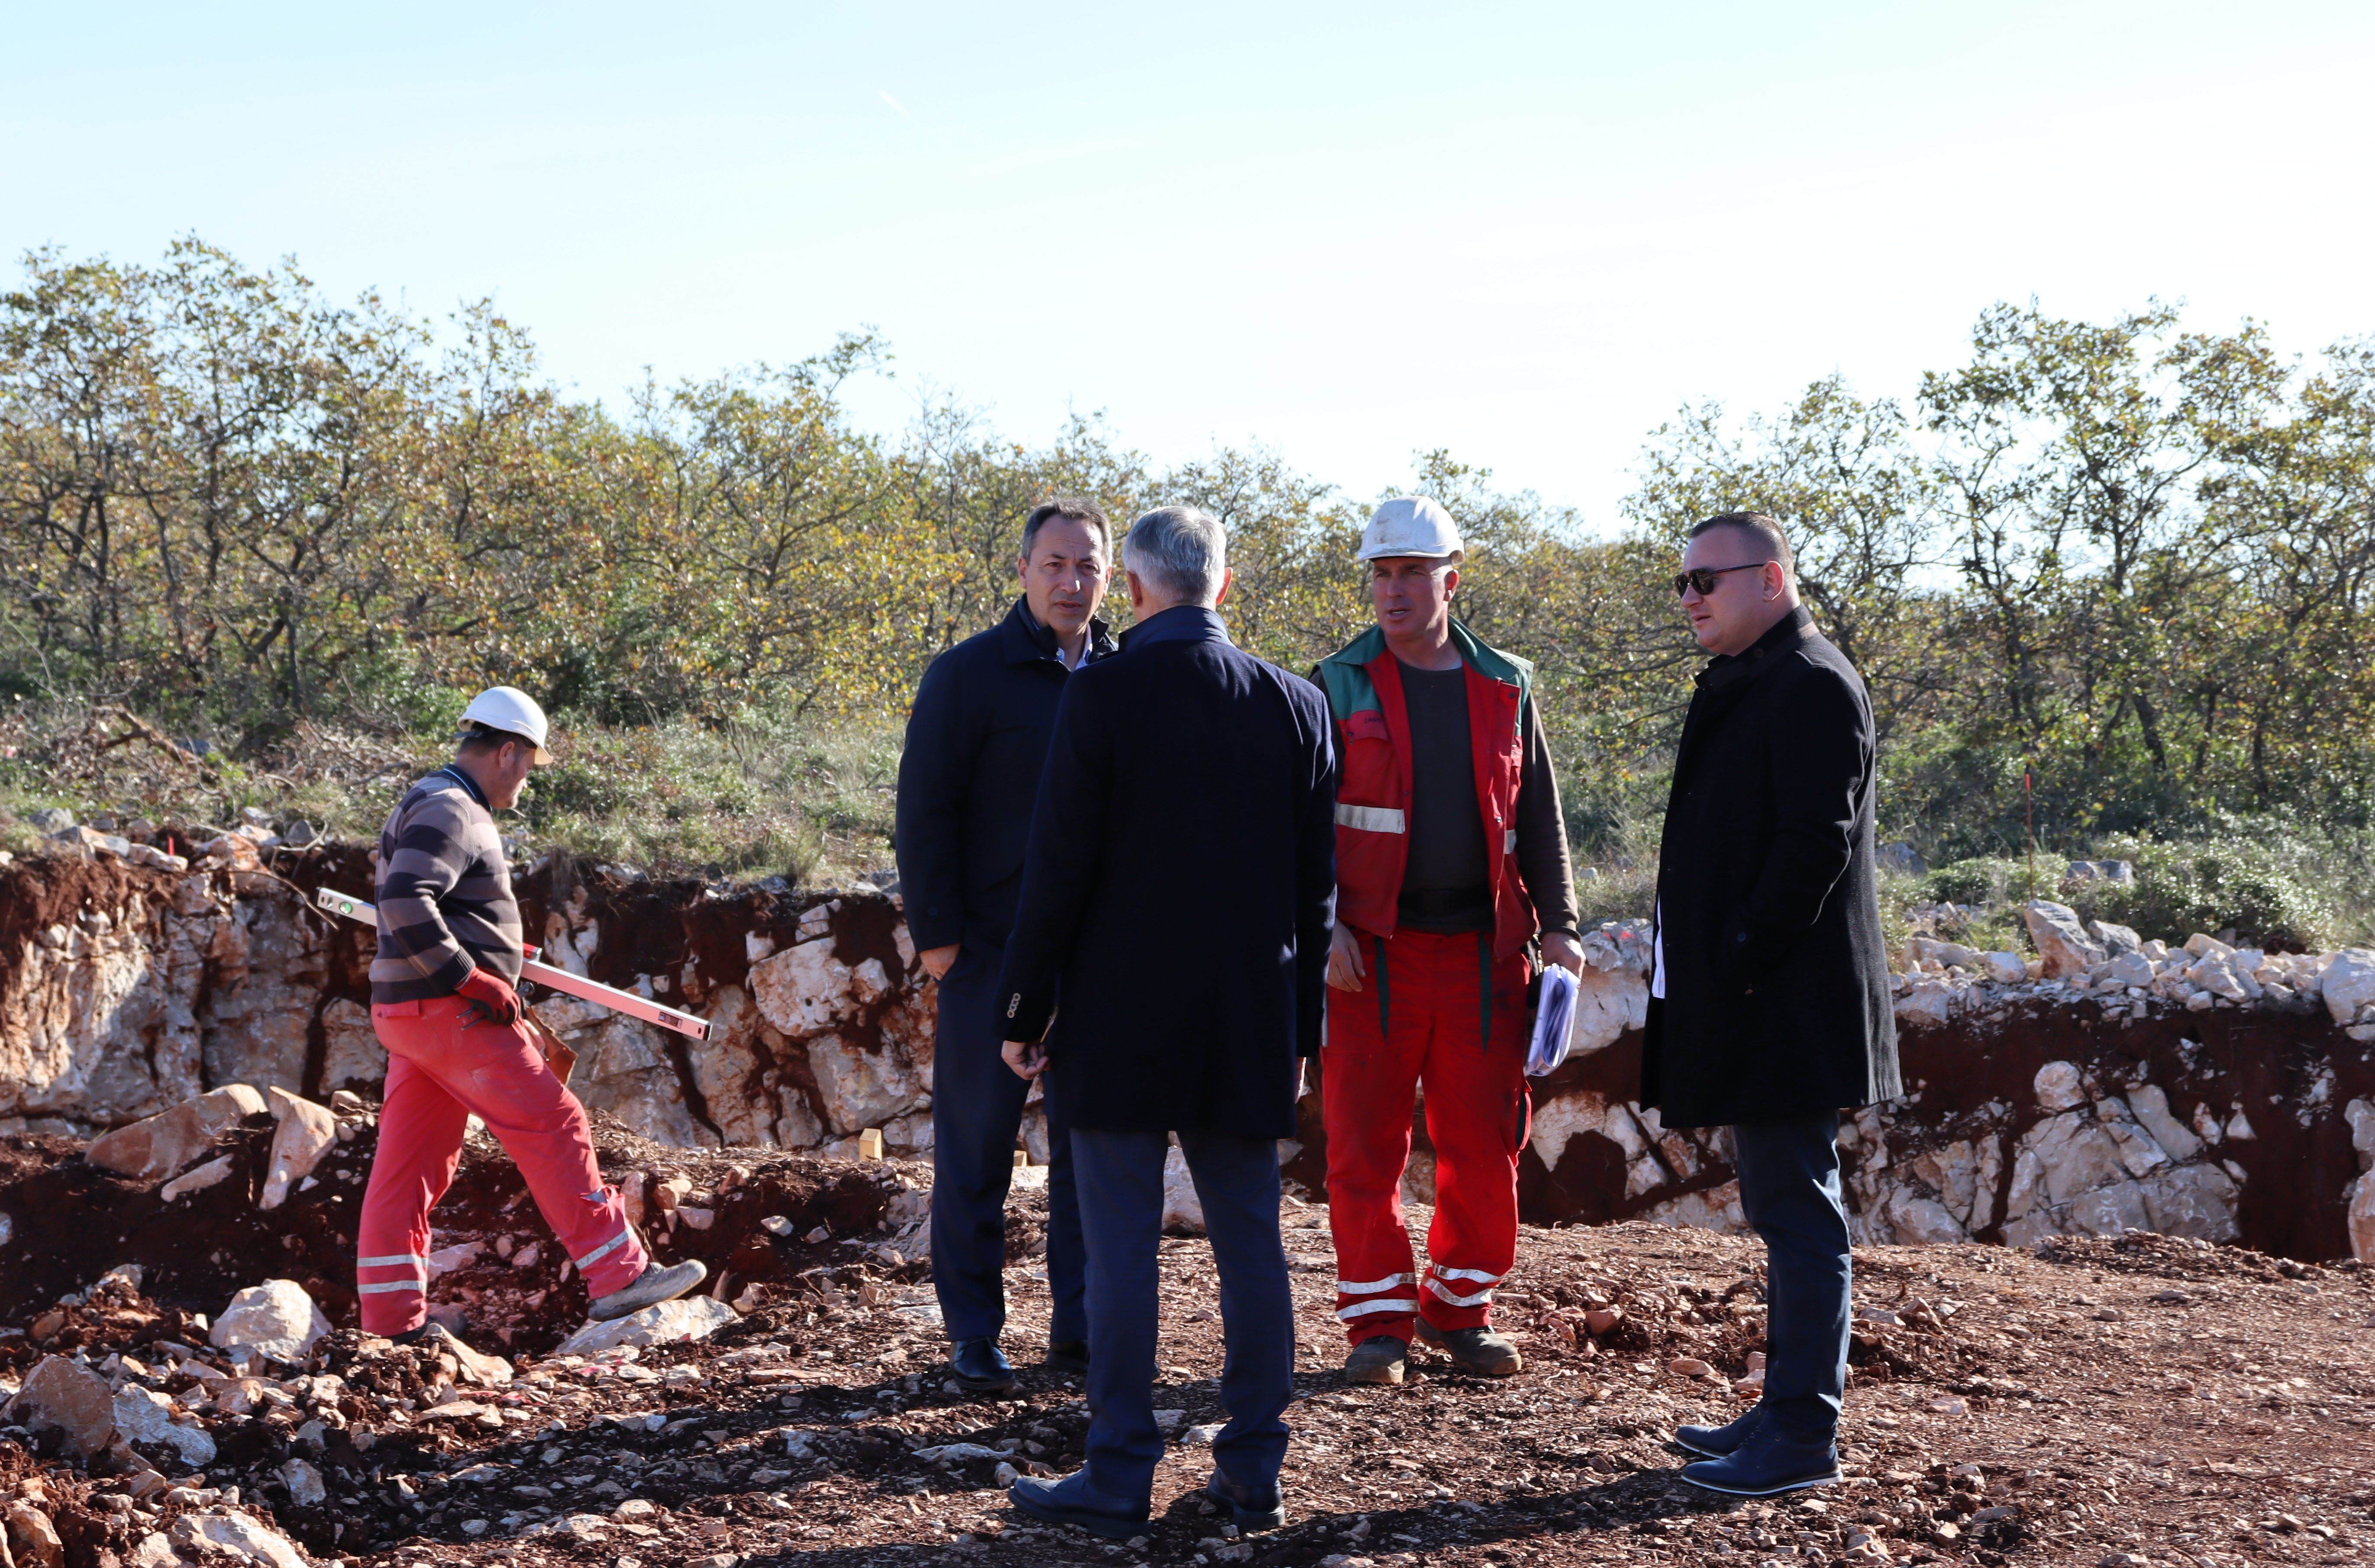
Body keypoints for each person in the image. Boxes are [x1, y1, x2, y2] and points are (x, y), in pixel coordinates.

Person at [993, 505, 1336, 1540]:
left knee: (1121, 1247)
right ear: (1220, 587)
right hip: (1248, 1015)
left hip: (1119, 1014)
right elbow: (1315, 893)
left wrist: (1025, 1005)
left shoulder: (1099, 697)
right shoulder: (1300, 705)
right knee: (1251, 1242)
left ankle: (1117, 1473)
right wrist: (1301, 1029)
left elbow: (1058, 870)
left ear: (1134, 590)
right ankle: (1255, 1466)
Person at [1641, 512, 1901, 1496]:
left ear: (1772, 578)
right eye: (1683, 584)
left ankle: (1801, 1436)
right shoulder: (1760, 678)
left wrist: (1743, 953)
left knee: (1799, 1212)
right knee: (1782, 1207)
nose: (1690, 598)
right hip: (1761, 997)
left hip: (1785, 1003)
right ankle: (1786, 1404)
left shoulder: (1810, 683)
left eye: (1707, 579)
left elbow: (1813, 842)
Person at [1313, 496, 1584, 1385]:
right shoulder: (1333, 682)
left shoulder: (1504, 683)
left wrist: (1565, 930)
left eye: (1411, 574)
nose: (1393, 592)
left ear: (1450, 580)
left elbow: (1538, 816)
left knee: (1481, 1143)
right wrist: (1324, 927)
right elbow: (1296, 826)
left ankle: (1460, 1311)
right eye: (1381, 574)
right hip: (1373, 957)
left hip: (1484, 953)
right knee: (1363, 1145)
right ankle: (1378, 1327)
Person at [356, 686, 707, 1342]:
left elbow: (425, 902)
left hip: (408, 1014)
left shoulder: (427, 797)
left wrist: (494, 950)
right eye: (527, 767)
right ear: (509, 752)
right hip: (449, 1012)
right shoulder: (455, 809)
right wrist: (474, 977)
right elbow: (407, 902)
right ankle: (618, 1276)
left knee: (410, 1166)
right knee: (554, 1122)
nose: (525, 783)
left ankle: (391, 1321)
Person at [895, 497, 1120, 1394]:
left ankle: (1079, 1330)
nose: (1072, 583)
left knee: (1088, 1155)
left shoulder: (1127, 673)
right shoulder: (967, 676)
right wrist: (941, 943)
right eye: (1056, 564)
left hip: (1097, 958)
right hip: (988, 952)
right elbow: (924, 812)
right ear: (1023, 570)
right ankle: (973, 1335)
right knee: (977, 1153)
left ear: (1113, 577)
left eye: (1089, 567)